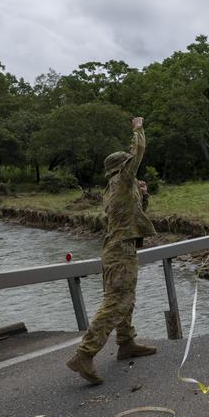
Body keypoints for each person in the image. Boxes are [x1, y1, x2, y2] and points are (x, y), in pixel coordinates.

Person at [67, 116, 158, 385]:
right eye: (130, 167)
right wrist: (138, 128)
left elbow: (134, 217)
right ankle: (84, 354)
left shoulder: (114, 189)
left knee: (123, 298)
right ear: (122, 168)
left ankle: (126, 342)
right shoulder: (122, 180)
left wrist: (144, 195)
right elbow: (137, 151)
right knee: (117, 302)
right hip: (120, 251)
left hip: (115, 249)